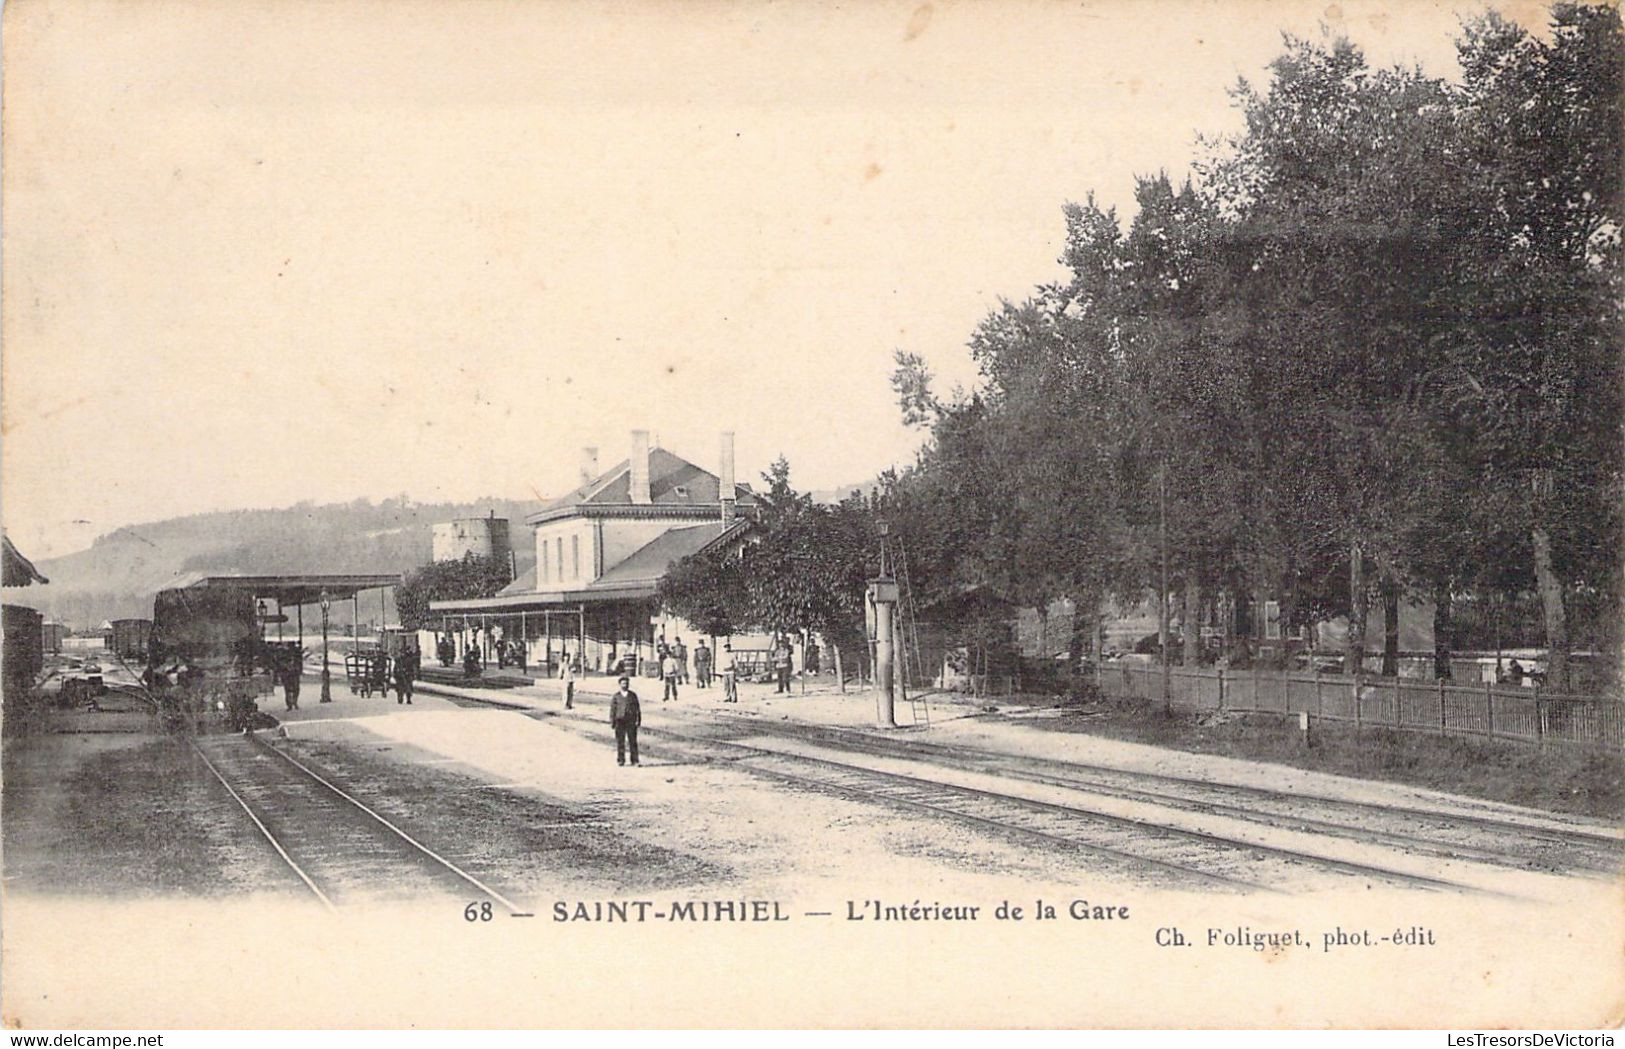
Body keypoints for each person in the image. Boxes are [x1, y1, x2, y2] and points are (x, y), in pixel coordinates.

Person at [610, 675, 641, 766]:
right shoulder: (616, 696)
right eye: (623, 683)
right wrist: (612, 721)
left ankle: (634, 760)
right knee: (620, 742)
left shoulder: (632, 695)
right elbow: (613, 710)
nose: (625, 685)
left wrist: (638, 719)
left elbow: (637, 708)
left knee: (633, 741)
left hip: (631, 721)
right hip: (619, 721)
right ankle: (621, 760)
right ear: (620, 685)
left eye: (626, 683)